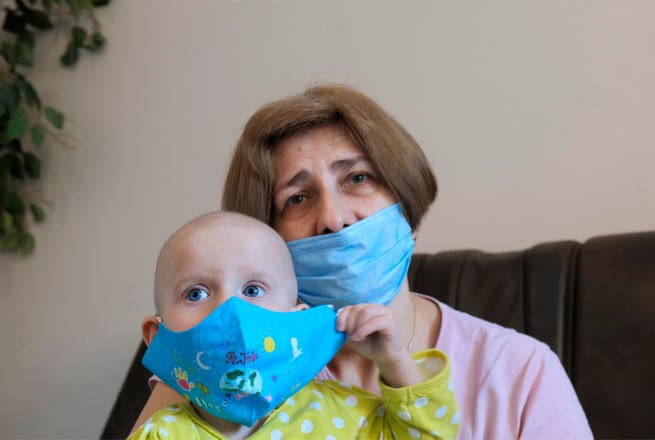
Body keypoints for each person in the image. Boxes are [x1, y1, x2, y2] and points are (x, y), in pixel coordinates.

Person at [134, 84, 593, 439]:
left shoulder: (523, 372)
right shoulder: (228, 363)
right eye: (296, 198)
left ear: (407, 209)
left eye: (357, 178)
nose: (333, 218)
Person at [130, 211, 459, 440]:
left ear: (296, 317)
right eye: (196, 293)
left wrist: (394, 361)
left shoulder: (341, 413)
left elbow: (432, 435)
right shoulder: (160, 433)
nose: (231, 311)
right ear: (156, 336)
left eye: (253, 290)